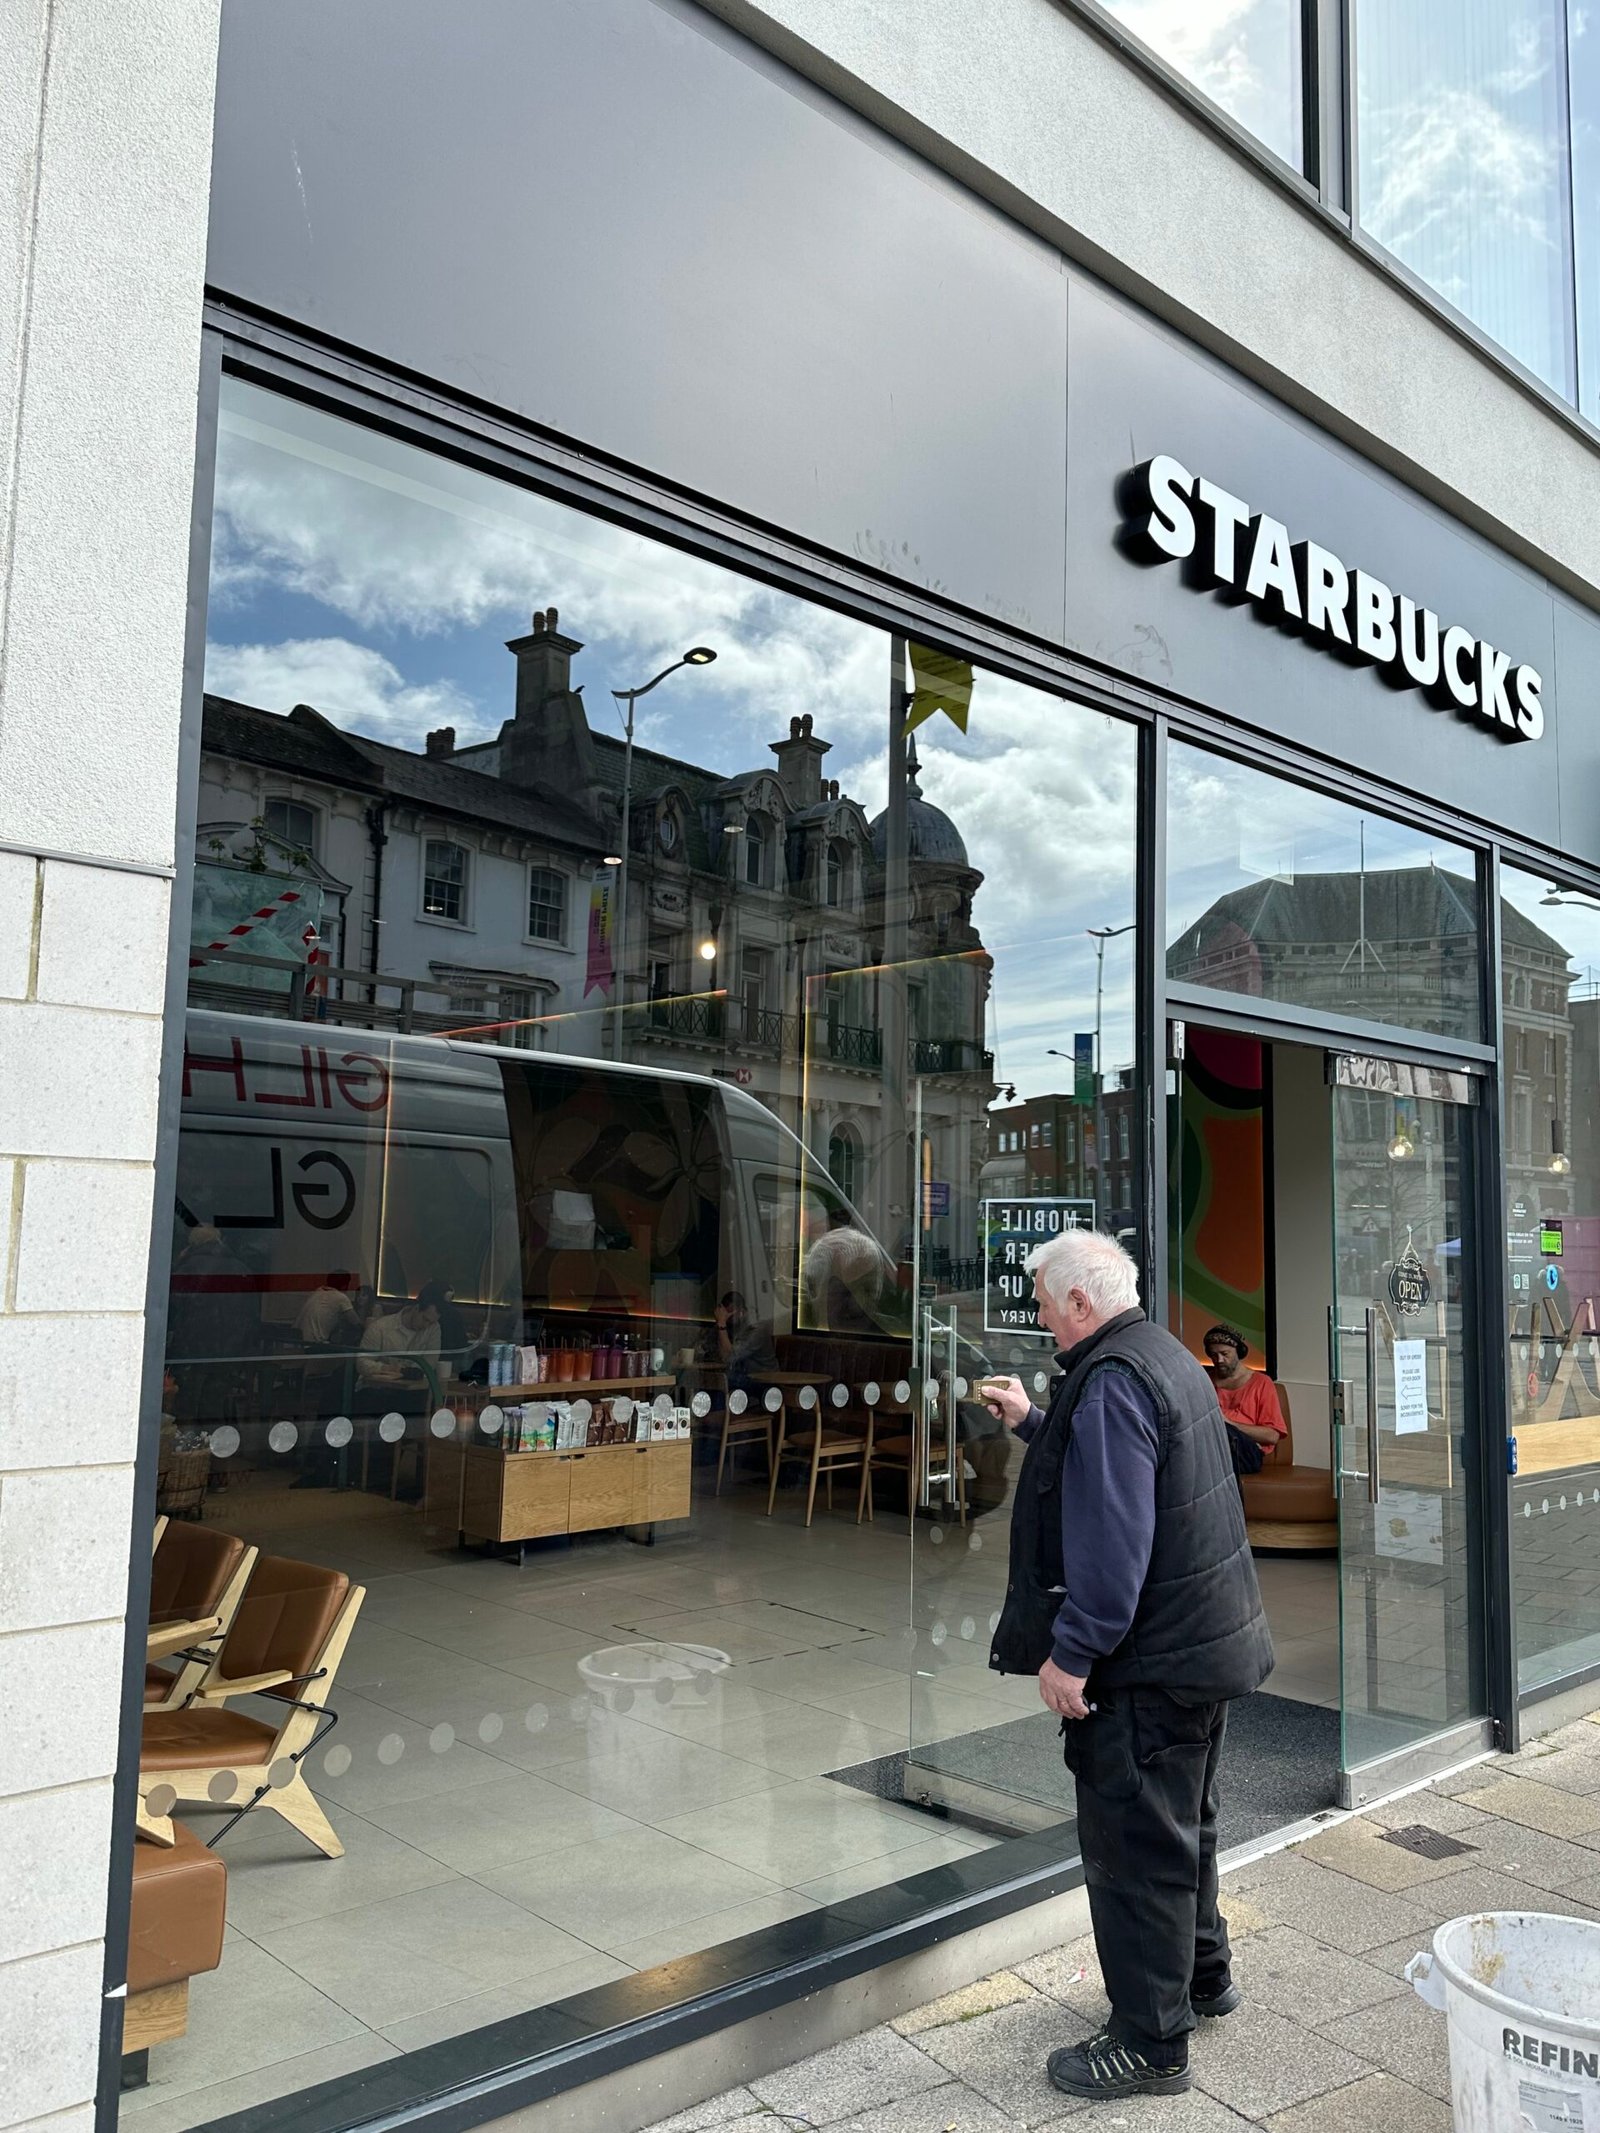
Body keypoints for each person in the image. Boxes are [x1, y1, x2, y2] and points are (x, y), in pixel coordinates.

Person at [984, 1230, 1273, 2102]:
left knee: (1136, 1845)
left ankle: (1150, 2041)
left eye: (1042, 1299)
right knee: (1184, 1823)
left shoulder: (1111, 1380)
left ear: (1079, 1301)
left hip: (1147, 1661)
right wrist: (1035, 1421)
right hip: (1200, 1643)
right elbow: (1134, 1470)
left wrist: (1072, 1656)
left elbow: (1115, 1543)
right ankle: (1202, 1977)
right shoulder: (1160, 1354)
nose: (1039, 1313)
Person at [1203, 1324, 1287, 1451]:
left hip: (1243, 1454)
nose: (1219, 1360)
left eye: (1225, 1354)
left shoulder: (1261, 1383)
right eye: (1214, 1355)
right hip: (1209, 1449)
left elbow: (1272, 1436)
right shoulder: (1205, 1381)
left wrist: (1229, 1424)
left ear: (1239, 1352)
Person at [357, 1280, 445, 1384]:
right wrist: (389, 1369)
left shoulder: (433, 1328)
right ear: (416, 1309)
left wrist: (405, 1373)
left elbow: (429, 1364)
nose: (426, 1325)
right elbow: (361, 1362)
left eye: (431, 1323)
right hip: (377, 1387)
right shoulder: (380, 1327)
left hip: (413, 1389)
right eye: (425, 1319)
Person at [712, 1290, 778, 1396]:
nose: (727, 1318)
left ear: (742, 1311)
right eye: (724, 1315)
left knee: (723, 1383)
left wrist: (721, 1325)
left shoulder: (756, 1329)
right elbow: (707, 1348)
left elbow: (730, 1356)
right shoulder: (730, 1324)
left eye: (730, 1315)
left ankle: (721, 1412)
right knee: (712, 1380)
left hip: (763, 1381)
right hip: (742, 1376)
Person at [296, 1269, 359, 1352]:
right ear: (345, 1285)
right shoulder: (340, 1297)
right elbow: (356, 1322)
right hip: (313, 1345)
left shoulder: (318, 1291)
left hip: (296, 1343)